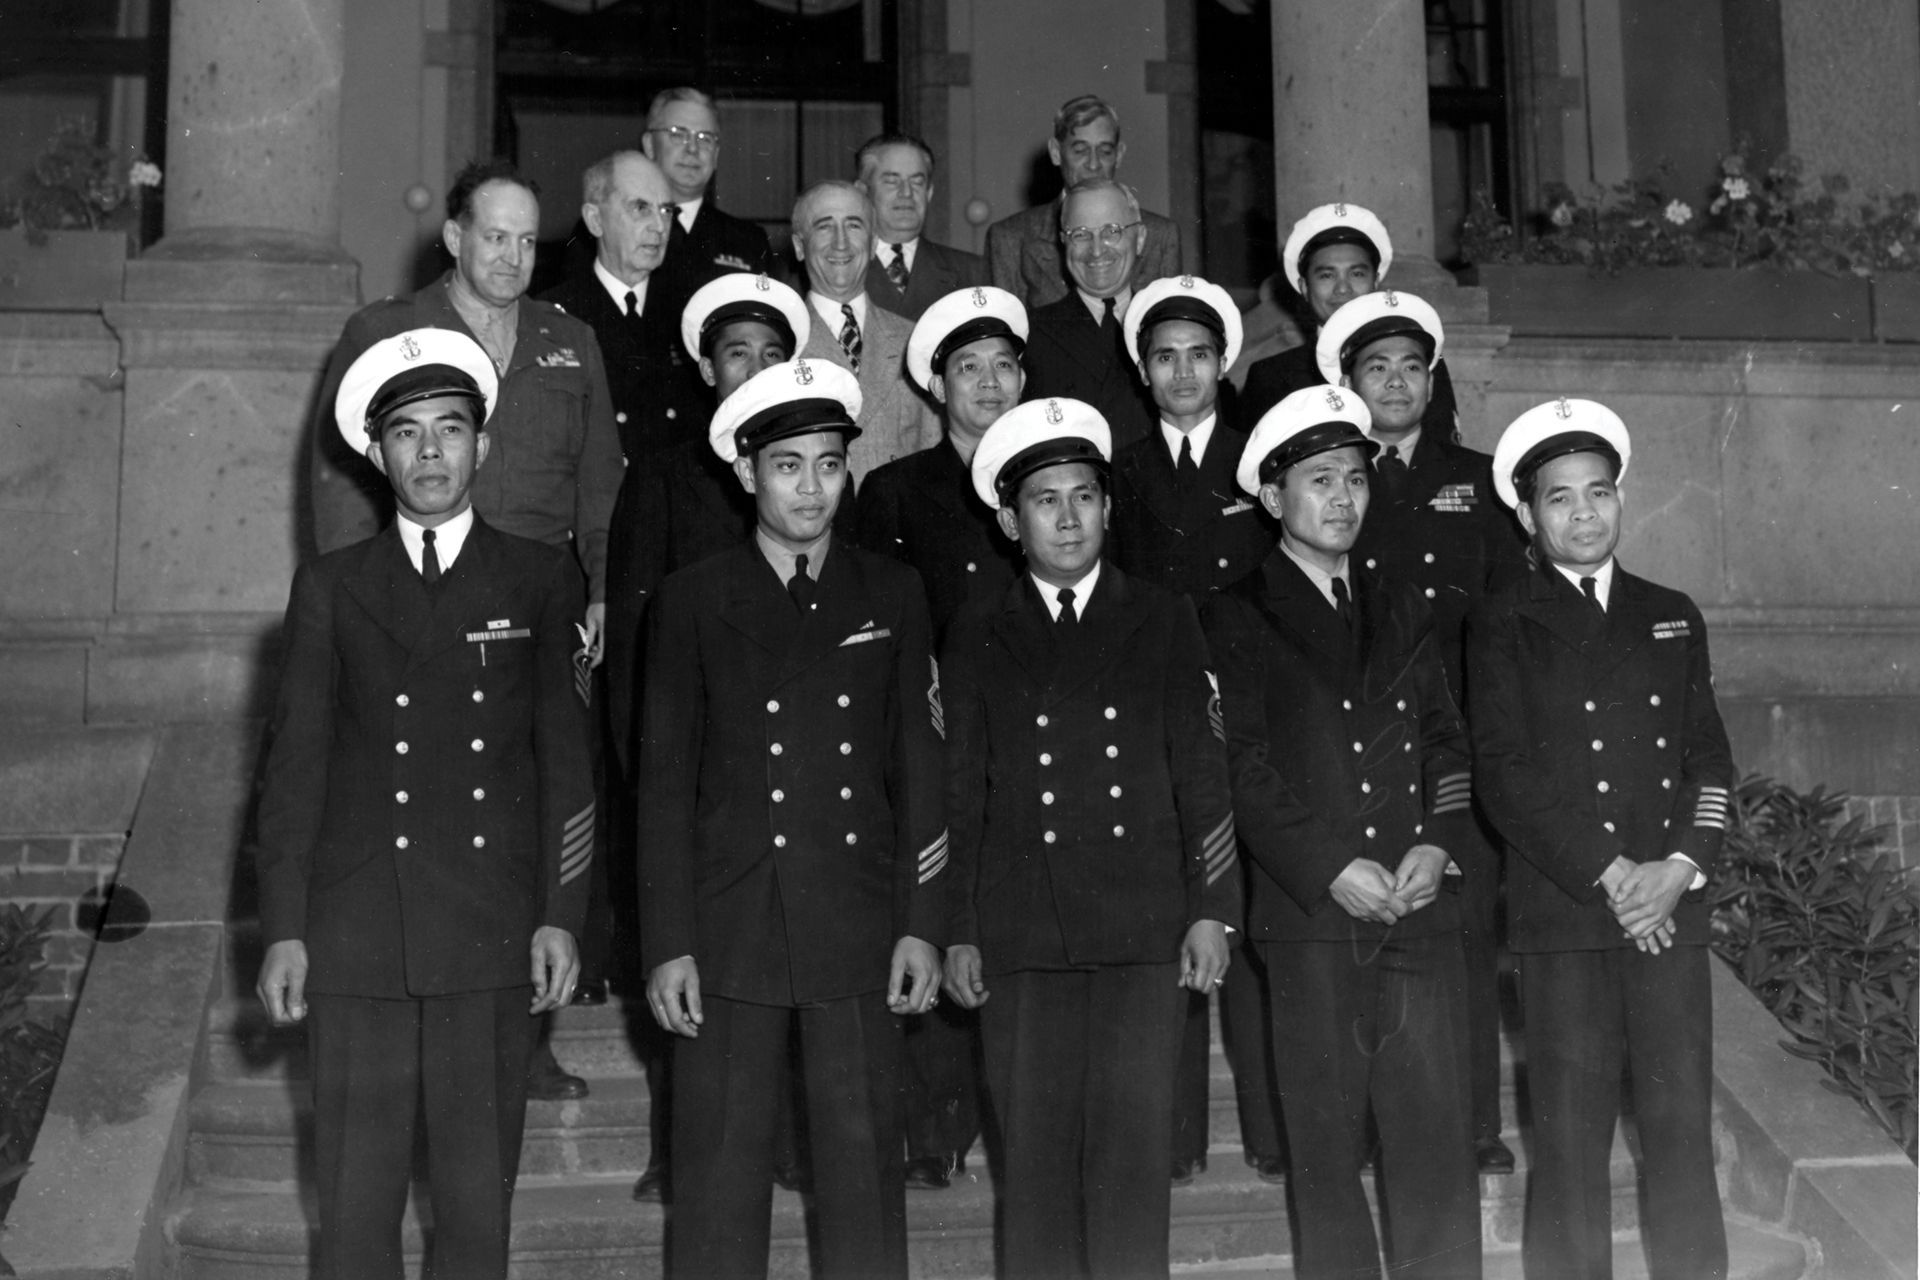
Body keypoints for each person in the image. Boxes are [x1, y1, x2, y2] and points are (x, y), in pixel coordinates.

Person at [254, 329, 594, 1279]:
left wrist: (560, 915)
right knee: (356, 1212)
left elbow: (568, 768)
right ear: (376, 454)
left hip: (487, 931)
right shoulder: (331, 586)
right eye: (407, 434)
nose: (432, 452)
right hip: (357, 937)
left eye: (452, 429)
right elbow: (294, 775)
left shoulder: (537, 576)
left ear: (483, 445)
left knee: (476, 1213)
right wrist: (283, 928)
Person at [638, 357, 948, 1279]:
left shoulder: (892, 594)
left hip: (855, 920)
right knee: (719, 1190)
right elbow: (662, 788)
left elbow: (920, 772)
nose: (811, 488)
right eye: (788, 465)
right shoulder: (692, 600)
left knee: (862, 1191)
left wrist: (922, 925)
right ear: (746, 473)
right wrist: (668, 941)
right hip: (731, 927)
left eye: (828, 464)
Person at [941, 397, 1239, 1280]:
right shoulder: (976, 627)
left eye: (1083, 496)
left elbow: (1201, 771)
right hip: (1023, 930)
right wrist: (957, 923)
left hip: (1141, 927)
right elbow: (959, 793)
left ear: (1108, 508)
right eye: (1044, 500)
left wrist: (1211, 909)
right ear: (1008, 519)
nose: (1067, 517)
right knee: (1032, 1166)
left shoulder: (1163, 615)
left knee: (1131, 1164)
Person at [1202, 386, 1483, 1279]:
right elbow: (1237, 766)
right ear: (1273, 495)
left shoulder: (1403, 602)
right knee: (1325, 1153)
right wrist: (1330, 866)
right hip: (1313, 917)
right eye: (1319, 480)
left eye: (1355, 479)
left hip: (1418, 905)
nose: (1342, 499)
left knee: (1435, 1142)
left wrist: (1439, 843)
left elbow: (1446, 738)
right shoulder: (1230, 613)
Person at [1469, 399, 1733, 1280]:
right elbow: (1505, 775)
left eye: (1599, 492)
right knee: (1573, 1153)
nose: (1583, 513)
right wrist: (1618, 875)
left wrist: (1681, 869)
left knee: (1680, 1139)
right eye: (1559, 498)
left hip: (1670, 915)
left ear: (1622, 499)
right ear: (1526, 514)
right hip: (1569, 916)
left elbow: (1710, 761)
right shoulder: (1501, 622)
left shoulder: (1672, 613)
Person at [1316, 288, 1531, 1172]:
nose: (1396, 382)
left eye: (1411, 366)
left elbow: (1510, 624)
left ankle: (1474, 1124)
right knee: (1366, 945)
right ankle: (1370, 1124)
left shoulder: (1480, 482)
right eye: (1377, 367)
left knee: (1466, 943)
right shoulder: (1325, 480)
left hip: (1459, 752)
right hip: (1359, 747)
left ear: (1432, 376)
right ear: (1348, 381)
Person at [1108, 274, 1283, 1187]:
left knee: (1250, 917)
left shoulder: (1266, 460)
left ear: (1226, 363)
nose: (1183, 372)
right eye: (1165, 358)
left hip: (1256, 712)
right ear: (1144, 372)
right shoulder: (1120, 472)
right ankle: (1174, 1134)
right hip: (1156, 716)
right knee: (1181, 907)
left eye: (1200, 356)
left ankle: (1270, 1128)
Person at [856, 284, 1030, 1190]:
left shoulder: (1047, 480)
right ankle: (931, 1129)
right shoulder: (894, 491)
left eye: (1004, 365)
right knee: (931, 912)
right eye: (970, 369)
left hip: (1026, 740)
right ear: (937, 389)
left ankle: (999, 1126)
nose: (990, 383)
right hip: (929, 737)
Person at [308, 158, 622, 646]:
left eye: (527, 241)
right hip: (422, 587)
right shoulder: (385, 331)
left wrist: (604, 590)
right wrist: (359, 593)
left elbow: (600, 486)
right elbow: (341, 484)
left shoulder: (571, 339)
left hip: (545, 592)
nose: (513, 257)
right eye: (496, 238)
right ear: (456, 239)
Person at [540, 149, 710, 463]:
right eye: (641, 208)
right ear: (595, 220)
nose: (659, 226)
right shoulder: (553, 314)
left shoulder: (693, 309)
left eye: (667, 210)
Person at [1237, 202, 1458, 432]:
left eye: (1357, 274)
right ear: (1304, 287)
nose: (1343, 289)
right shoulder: (1271, 376)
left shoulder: (1420, 365)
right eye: (1326, 275)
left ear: (1376, 281)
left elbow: (1442, 457)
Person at [791, 180, 944, 484]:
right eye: (824, 226)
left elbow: (932, 452)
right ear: (798, 245)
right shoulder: (783, 344)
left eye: (854, 226)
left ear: (874, 243)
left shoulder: (916, 340)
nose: (841, 243)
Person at [985, 94, 1181, 309]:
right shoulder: (1011, 237)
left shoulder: (1161, 235)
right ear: (1056, 152)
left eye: (1105, 151)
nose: (1094, 164)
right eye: (1080, 150)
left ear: (1119, 154)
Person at [1021, 179, 1159, 451]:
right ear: (1063, 243)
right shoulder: (1030, 334)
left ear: (1140, 238)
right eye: (1081, 234)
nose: (1097, 250)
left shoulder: (1169, 325)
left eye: (1112, 231)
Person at [640, 86, 777, 315]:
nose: (693, 148)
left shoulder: (748, 241)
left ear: (716, 155)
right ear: (650, 145)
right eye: (678, 134)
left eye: (705, 138)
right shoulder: (616, 227)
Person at [856, 132, 989, 321]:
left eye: (917, 182)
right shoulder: (838, 268)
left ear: (929, 193)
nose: (907, 192)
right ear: (862, 192)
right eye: (892, 181)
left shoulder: (973, 272)